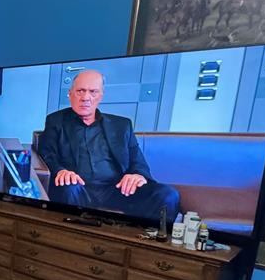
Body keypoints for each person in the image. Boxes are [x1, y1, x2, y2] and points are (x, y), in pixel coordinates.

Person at [38, 70, 180, 221]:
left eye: (93, 92)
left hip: (118, 189)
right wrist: (61, 171)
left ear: (101, 96)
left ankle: (142, 243)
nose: (86, 97)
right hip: (79, 188)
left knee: (168, 195)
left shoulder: (121, 125)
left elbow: (137, 161)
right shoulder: (56, 121)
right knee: (68, 188)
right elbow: (47, 154)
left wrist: (138, 175)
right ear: (70, 93)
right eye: (80, 91)